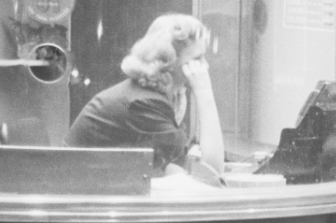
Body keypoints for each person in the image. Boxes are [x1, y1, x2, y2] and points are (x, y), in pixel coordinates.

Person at [65, 14, 224, 178]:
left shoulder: (145, 95)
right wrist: (205, 93)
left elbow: (171, 169)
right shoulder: (143, 104)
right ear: (168, 61)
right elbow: (211, 172)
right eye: (197, 58)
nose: (205, 65)